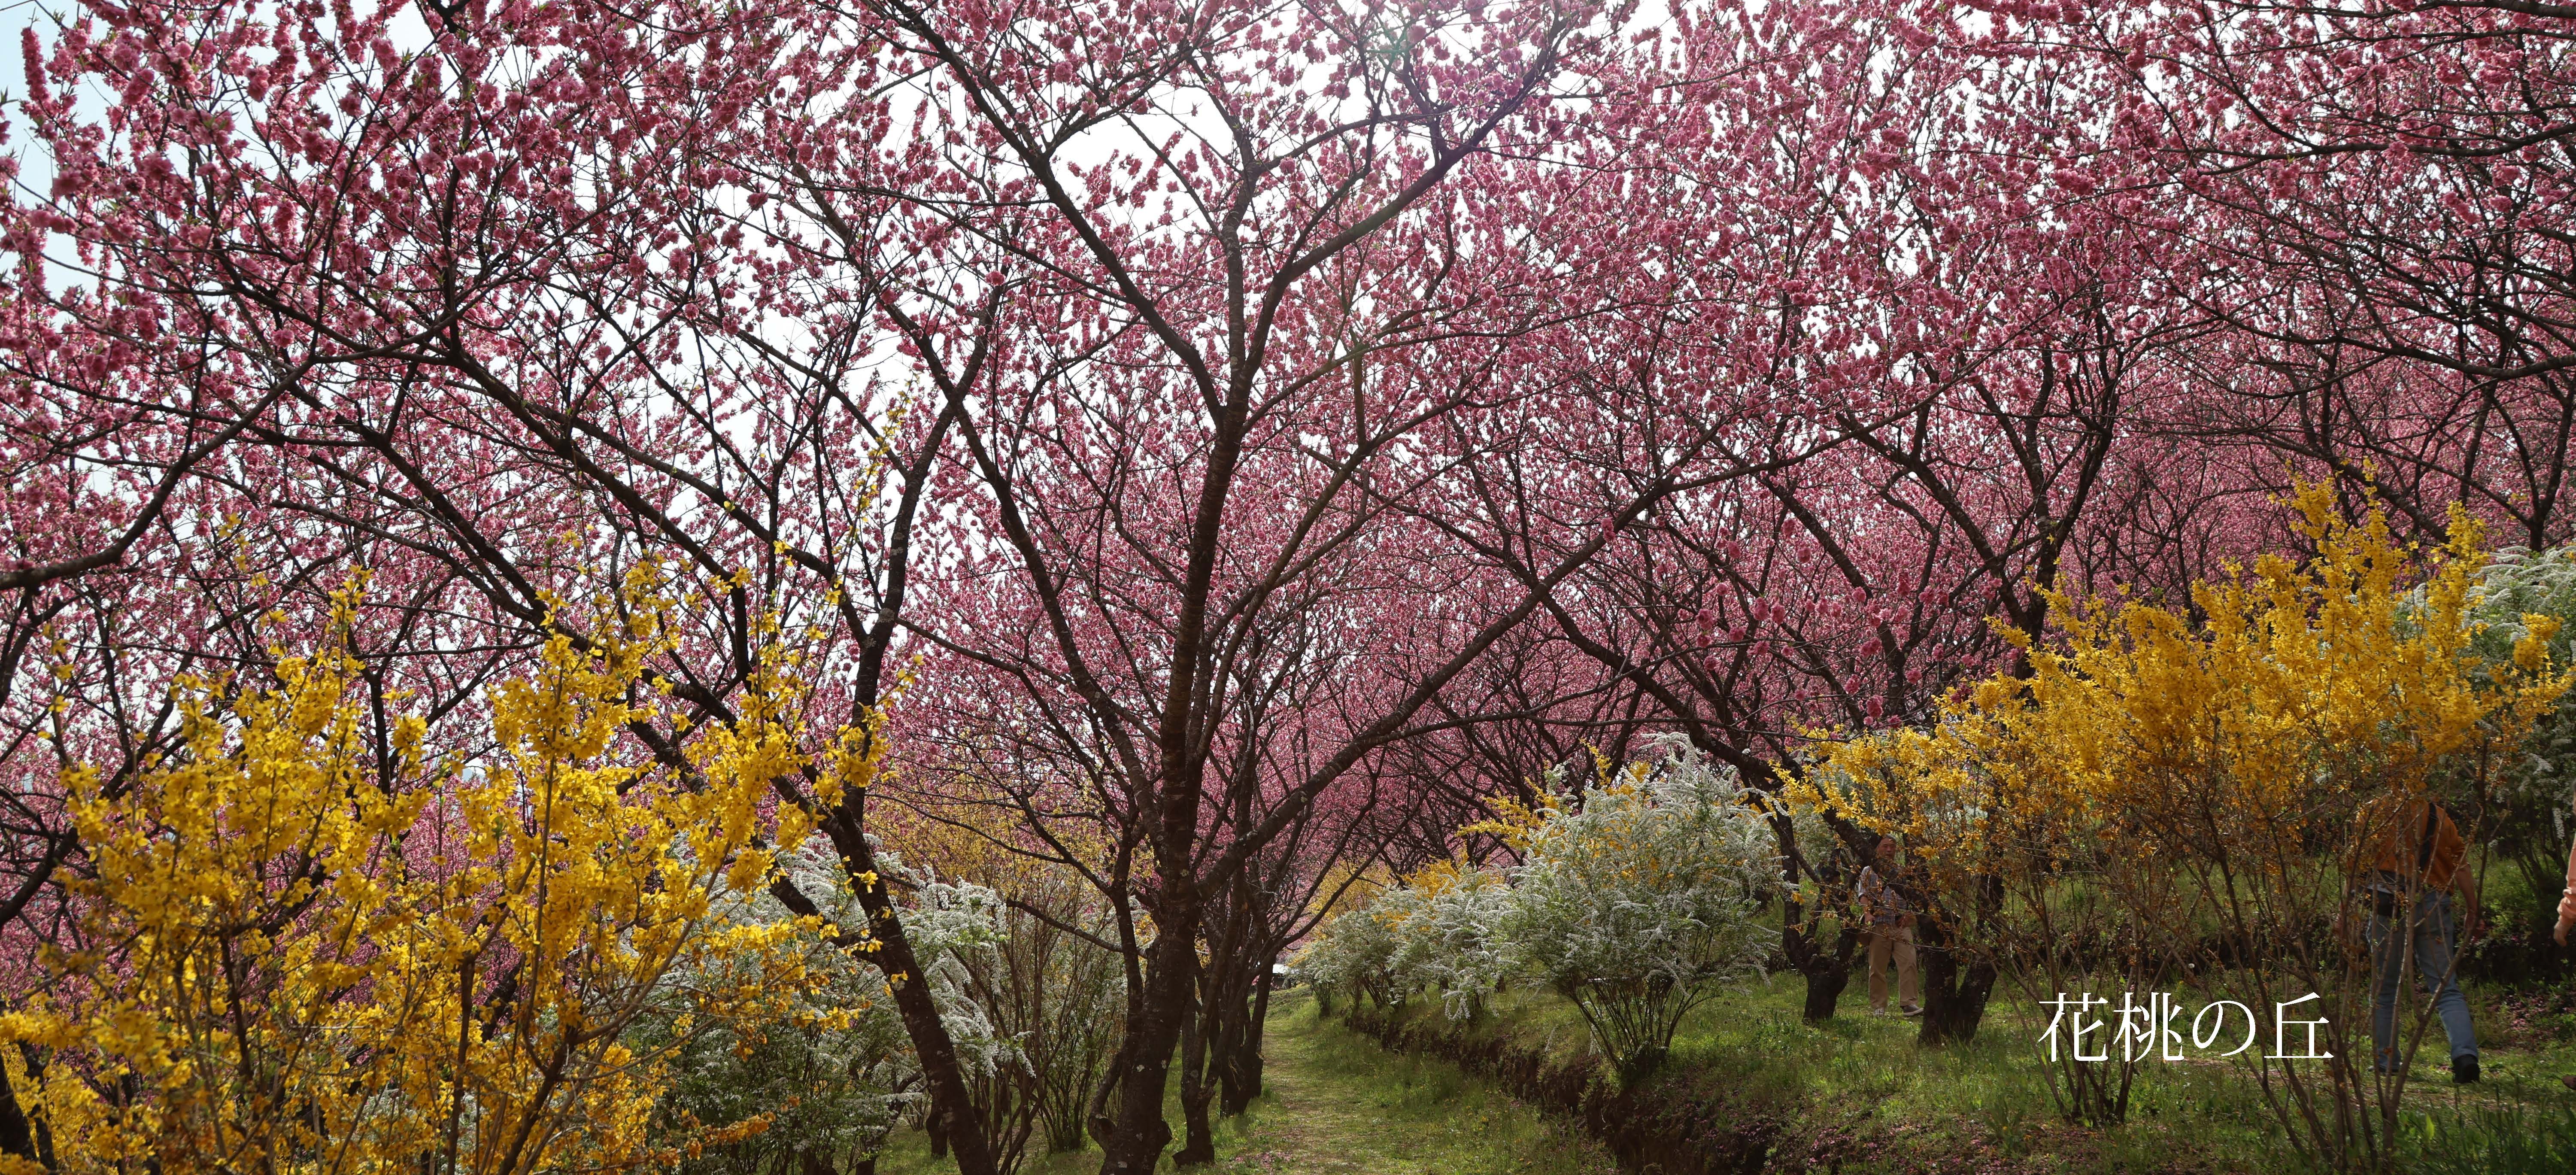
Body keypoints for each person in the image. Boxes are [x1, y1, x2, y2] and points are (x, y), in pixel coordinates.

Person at [2355, 793, 2481, 1084]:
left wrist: (2344, 911)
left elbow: (2355, 863)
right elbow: (2460, 863)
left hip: (2386, 902)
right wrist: (2473, 908)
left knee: (2384, 988)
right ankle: (2465, 1057)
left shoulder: (2371, 811)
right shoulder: (2439, 816)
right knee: (2445, 987)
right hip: (2433, 902)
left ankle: (2386, 1062)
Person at [1855, 834, 1919, 1017]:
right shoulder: (1869, 871)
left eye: (1892, 847)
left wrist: (1909, 915)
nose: (1889, 850)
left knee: (1909, 963)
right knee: (1877, 968)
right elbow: (1863, 894)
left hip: (1901, 925)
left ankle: (1909, 1005)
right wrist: (1867, 914)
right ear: (1877, 849)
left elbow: (1913, 898)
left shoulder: (1903, 871)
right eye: (1885, 847)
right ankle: (1879, 1007)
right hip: (1879, 924)